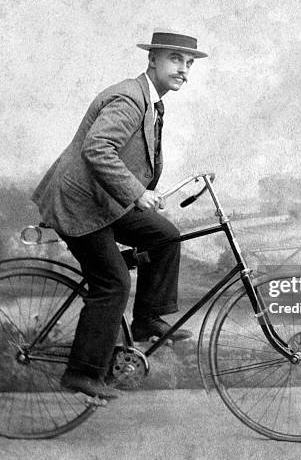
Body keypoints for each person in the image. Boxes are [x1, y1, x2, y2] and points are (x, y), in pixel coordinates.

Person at [31, 31, 207, 399]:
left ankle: (146, 320)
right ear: (152, 61)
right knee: (112, 283)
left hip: (105, 201)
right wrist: (136, 192)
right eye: (176, 59)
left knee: (165, 235)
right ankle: (82, 373)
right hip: (79, 203)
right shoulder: (130, 98)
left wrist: (138, 194)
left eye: (189, 63)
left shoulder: (152, 100)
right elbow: (98, 148)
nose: (184, 70)